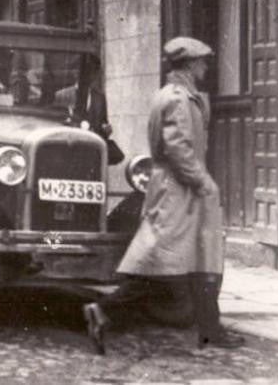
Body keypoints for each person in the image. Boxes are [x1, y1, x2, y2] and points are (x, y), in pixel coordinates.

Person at [83, 37, 244, 353]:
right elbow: (178, 149)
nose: (205, 67)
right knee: (160, 268)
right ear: (189, 65)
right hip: (177, 191)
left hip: (183, 190)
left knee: (200, 261)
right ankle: (103, 310)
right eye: (202, 63)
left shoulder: (182, 96)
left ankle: (211, 330)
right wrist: (202, 182)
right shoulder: (176, 100)